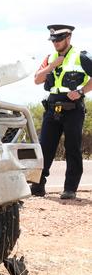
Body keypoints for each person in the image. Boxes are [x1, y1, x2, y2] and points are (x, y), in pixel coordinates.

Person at [31, 24, 92, 199]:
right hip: (52, 106)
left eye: (59, 39)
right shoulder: (50, 57)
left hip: (73, 108)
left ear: (68, 37)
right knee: (44, 148)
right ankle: (38, 186)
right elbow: (37, 79)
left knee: (73, 147)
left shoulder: (81, 57)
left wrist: (81, 91)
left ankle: (70, 189)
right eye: (53, 40)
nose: (55, 43)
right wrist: (53, 65)